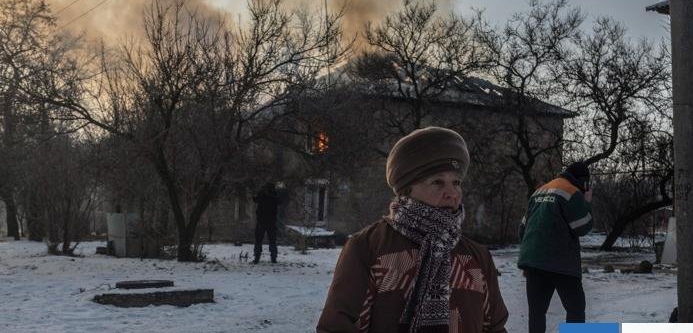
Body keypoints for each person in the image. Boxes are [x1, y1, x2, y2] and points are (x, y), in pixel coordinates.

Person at [317, 126, 509, 333]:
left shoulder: (476, 256)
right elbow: (338, 327)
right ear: (406, 190)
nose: (452, 193)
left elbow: (495, 328)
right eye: (437, 182)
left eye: (456, 182)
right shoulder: (368, 248)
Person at [517, 161, 594, 333]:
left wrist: (531, 253)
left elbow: (523, 229)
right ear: (583, 181)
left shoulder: (539, 191)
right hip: (562, 264)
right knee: (575, 310)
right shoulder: (571, 192)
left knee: (536, 313)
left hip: (533, 263)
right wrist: (587, 202)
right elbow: (583, 226)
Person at [253, 181, 281, 264]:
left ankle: (257, 258)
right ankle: (273, 258)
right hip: (271, 221)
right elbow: (280, 202)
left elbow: (254, 199)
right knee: (272, 240)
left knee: (258, 240)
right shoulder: (274, 195)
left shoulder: (262, 194)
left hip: (261, 221)